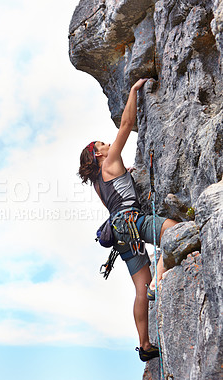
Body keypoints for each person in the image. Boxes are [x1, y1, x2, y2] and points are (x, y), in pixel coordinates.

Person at [78, 78, 177, 361]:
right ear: (98, 154)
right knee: (174, 232)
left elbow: (117, 193)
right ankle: (159, 283)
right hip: (133, 222)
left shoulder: (99, 183)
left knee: (139, 289)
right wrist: (134, 90)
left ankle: (145, 345)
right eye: (103, 144)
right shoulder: (109, 162)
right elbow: (126, 125)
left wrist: (129, 175)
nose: (109, 144)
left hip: (120, 234)